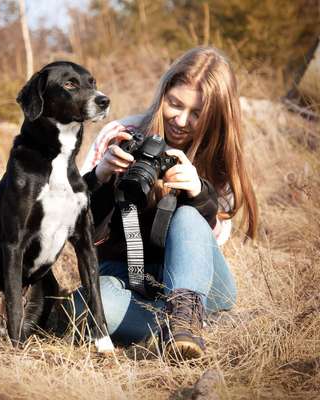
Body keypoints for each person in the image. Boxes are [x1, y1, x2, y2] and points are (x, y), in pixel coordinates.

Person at [66, 46, 258, 361]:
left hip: (199, 285)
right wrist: (101, 177)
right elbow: (80, 229)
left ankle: (185, 320)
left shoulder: (219, 154)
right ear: (163, 95)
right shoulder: (122, 135)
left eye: (197, 113)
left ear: (215, 115)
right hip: (126, 272)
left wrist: (198, 194)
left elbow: (215, 240)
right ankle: (191, 332)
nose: (181, 121)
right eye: (175, 104)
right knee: (85, 305)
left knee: (186, 216)